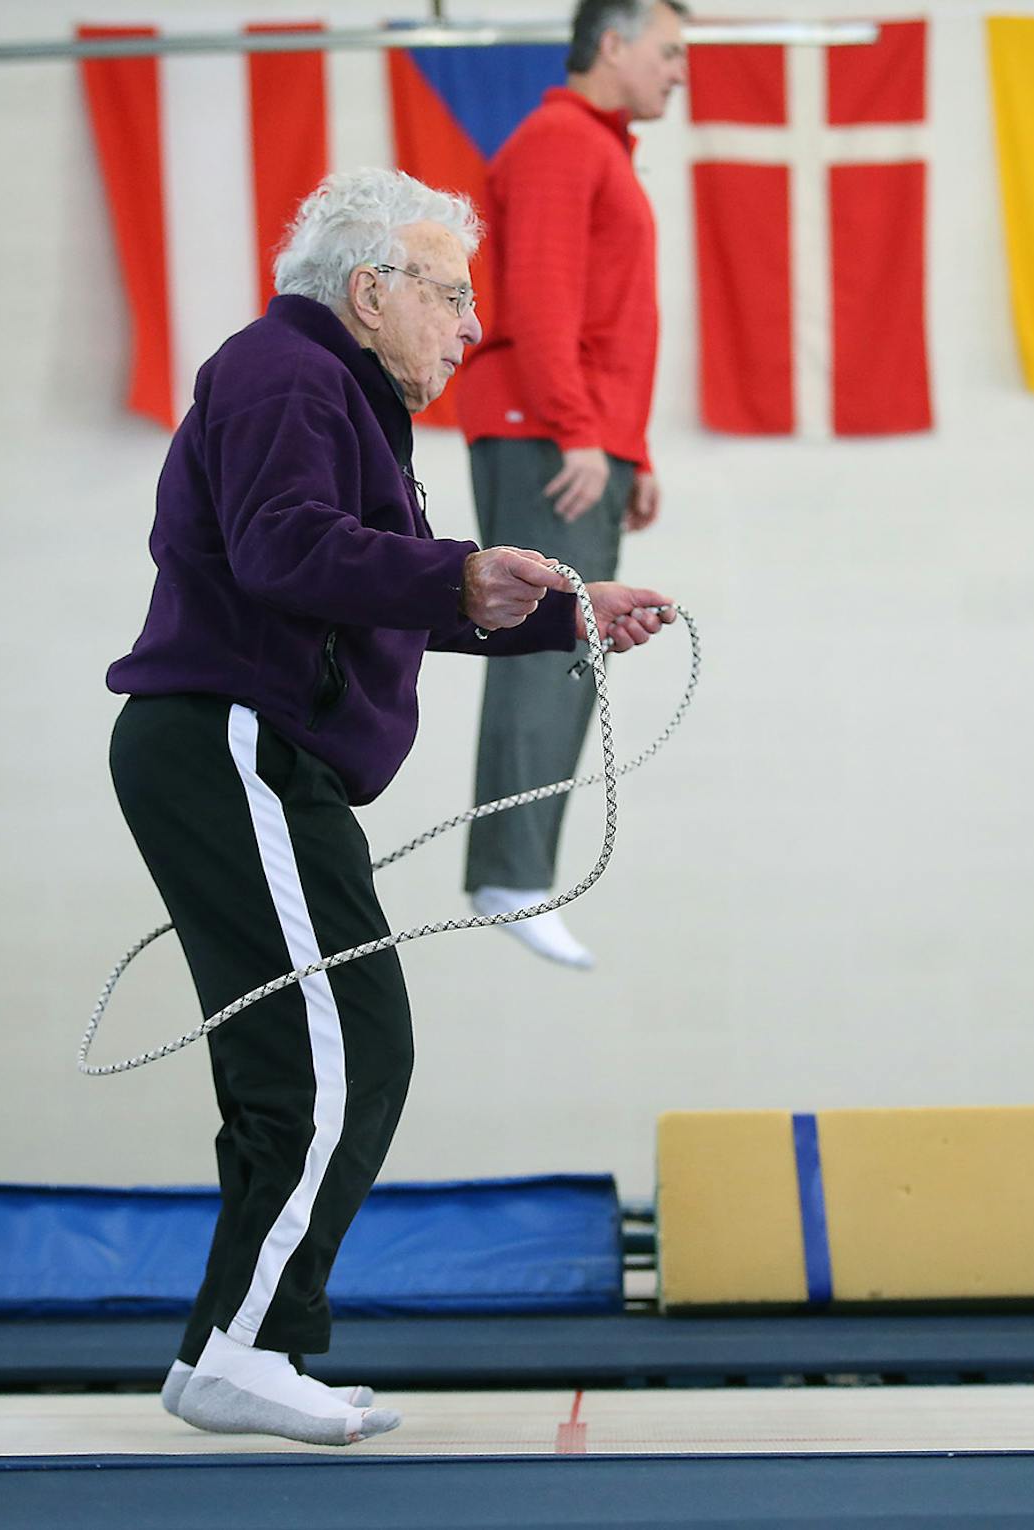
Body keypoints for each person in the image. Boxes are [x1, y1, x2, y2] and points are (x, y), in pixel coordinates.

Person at [104, 167, 673, 1447]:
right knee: (336, 1051)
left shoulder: (331, 395)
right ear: (371, 292)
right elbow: (284, 549)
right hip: (233, 742)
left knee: (325, 1052)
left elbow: (372, 584)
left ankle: (235, 1346)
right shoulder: (286, 376)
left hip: (250, 751)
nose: (470, 329)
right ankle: (242, 1348)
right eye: (452, 296)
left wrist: (562, 613)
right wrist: (465, 571)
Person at [456, 0, 689, 969]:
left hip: (575, 434)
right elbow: (544, 299)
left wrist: (625, 450)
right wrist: (579, 431)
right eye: (668, 52)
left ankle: (516, 870)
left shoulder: (595, 148)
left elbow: (602, 320)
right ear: (612, 43)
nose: (678, 71)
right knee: (545, 639)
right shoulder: (559, 143)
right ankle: (507, 873)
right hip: (545, 434)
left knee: (571, 641)